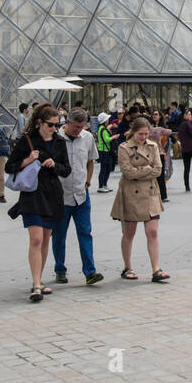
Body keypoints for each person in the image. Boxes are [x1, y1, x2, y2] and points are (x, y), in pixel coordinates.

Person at [7, 105, 70, 301]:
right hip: (32, 194)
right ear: (40, 123)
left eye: (57, 125)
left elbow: (66, 169)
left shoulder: (59, 142)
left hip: (52, 194)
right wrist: (27, 160)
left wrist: (54, 164)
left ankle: (39, 280)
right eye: (50, 125)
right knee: (36, 239)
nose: (54, 128)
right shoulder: (27, 140)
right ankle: (35, 284)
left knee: (45, 238)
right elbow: (9, 166)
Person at [112, 116, 169, 282]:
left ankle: (156, 269)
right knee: (129, 232)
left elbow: (158, 170)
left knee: (152, 231)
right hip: (131, 194)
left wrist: (141, 170)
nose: (144, 137)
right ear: (133, 133)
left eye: (146, 134)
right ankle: (127, 266)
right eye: (140, 134)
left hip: (150, 193)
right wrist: (147, 169)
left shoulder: (152, 146)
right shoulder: (124, 147)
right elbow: (128, 172)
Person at [52, 109, 104, 285]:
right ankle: (60, 269)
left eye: (81, 127)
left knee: (85, 232)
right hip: (61, 195)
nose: (78, 131)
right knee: (59, 234)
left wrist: (88, 182)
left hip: (81, 194)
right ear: (67, 122)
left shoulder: (87, 138)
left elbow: (90, 161)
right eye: (75, 127)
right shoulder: (56, 138)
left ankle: (90, 271)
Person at [95, 113, 116, 193]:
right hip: (104, 151)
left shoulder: (102, 128)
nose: (108, 120)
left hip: (105, 150)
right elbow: (106, 139)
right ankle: (101, 186)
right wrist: (113, 137)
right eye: (107, 119)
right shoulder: (103, 129)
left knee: (106, 168)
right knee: (104, 169)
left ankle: (104, 184)